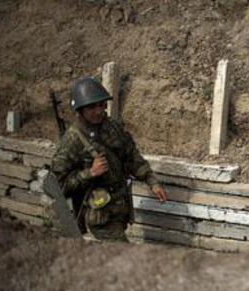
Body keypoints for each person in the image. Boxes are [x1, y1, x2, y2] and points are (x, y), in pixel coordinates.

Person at [51, 77, 168, 241]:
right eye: (92, 107)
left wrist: (152, 182)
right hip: (99, 214)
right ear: (80, 110)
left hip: (120, 207)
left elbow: (131, 156)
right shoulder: (72, 141)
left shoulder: (112, 127)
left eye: (101, 105)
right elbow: (58, 185)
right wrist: (90, 173)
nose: (99, 111)